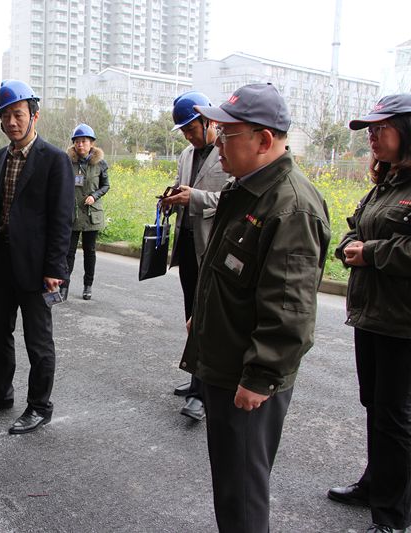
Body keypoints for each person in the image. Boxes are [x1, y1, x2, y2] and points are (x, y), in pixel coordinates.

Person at [179, 83, 331, 532]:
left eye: (228, 135)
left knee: (242, 493)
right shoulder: (247, 189)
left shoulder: (290, 206)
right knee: (231, 486)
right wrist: (204, 316)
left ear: (264, 140)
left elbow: (290, 309)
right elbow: (232, 274)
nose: (218, 144)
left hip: (247, 376)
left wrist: (261, 376)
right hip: (227, 362)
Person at [0, 80, 73, 435]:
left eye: (18, 114)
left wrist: (56, 269)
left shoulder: (54, 159)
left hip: (37, 267)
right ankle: (0, 394)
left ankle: (39, 406)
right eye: (5, 116)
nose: (11, 122)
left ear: (34, 116)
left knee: (38, 341)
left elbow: (62, 220)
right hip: (0, 261)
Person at [328, 93, 411, 533]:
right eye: (370, 131)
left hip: (402, 322)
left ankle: (393, 515)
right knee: (375, 406)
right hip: (373, 314)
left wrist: (371, 253)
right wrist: (348, 247)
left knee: (395, 416)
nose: (373, 138)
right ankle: (376, 484)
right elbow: (356, 227)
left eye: (381, 129)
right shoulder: (387, 182)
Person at [161, 91, 230, 422]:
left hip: (213, 248)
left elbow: (233, 197)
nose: (188, 136)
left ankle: (203, 394)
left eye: (191, 128)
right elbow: (182, 187)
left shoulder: (227, 152)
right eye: (184, 131)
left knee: (208, 320)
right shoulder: (187, 155)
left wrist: (196, 197)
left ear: (209, 121)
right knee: (192, 314)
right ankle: (195, 379)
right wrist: (171, 198)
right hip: (187, 246)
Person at [63, 123, 110, 301]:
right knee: (68, 252)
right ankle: (64, 287)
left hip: (91, 213)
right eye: (77, 141)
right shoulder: (67, 162)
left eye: (84, 141)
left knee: (89, 251)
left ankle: (87, 286)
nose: (80, 144)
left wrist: (94, 196)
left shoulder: (100, 163)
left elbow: (106, 185)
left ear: (91, 143)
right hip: (73, 213)